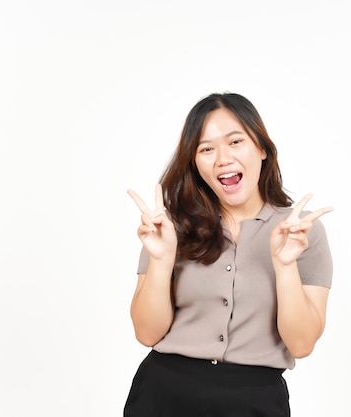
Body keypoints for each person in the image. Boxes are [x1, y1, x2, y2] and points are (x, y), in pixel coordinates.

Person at [124, 92, 333, 417]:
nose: (222, 158)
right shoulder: (170, 227)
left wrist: (285, 265)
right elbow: (146, 333)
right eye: (206, 149)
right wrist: (162, 262)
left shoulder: (302, 233)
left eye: (235, 142)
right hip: (163, 396)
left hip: (254, 401)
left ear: (262, 149)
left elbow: (301, 344)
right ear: (194, 162)